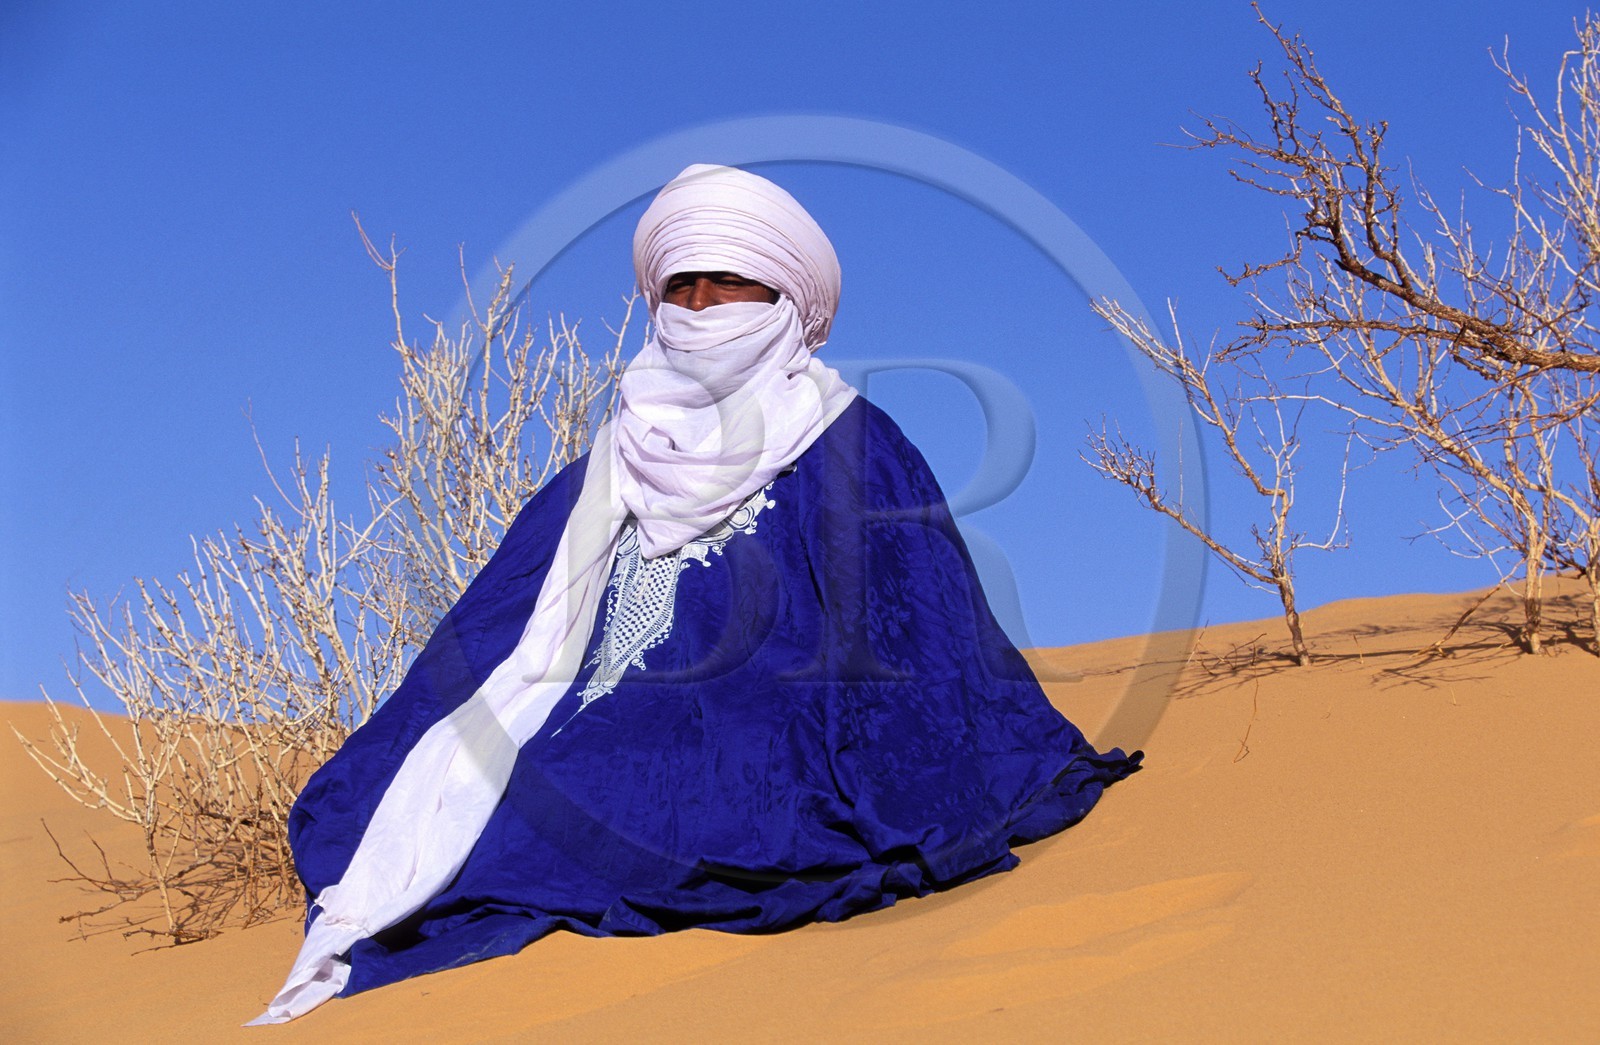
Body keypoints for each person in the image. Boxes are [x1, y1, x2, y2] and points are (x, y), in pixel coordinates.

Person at [251, 164, 1139, 1024]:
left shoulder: (851, 440)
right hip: (592, 709)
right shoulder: (613, 459)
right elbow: (496, 624)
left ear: (786, 302)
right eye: (683, 289)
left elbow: (918, 636)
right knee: (437, 783)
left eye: (728, 284)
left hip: (778, 711)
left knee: (657, 797)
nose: (704, 309)